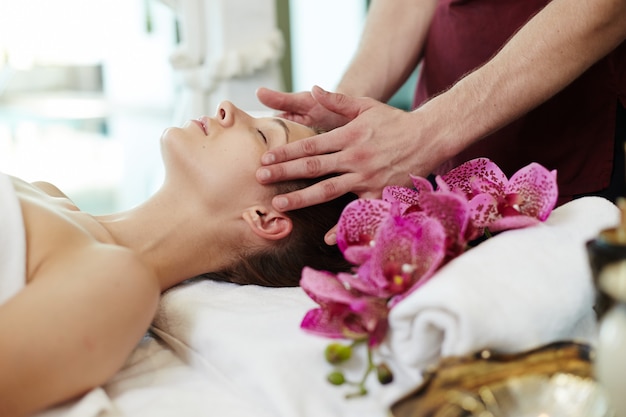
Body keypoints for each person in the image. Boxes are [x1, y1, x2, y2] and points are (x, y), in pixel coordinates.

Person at [0, 101, 355, 417]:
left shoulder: (117, 283)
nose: (227, 108)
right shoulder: (48, 193)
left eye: (262, 134)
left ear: (264, 218)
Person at [255, 0, 626, 244]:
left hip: (587, 146)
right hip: (443, 162)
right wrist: (346, 107)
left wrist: (429, 132)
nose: (223, 110)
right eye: (259, 130)